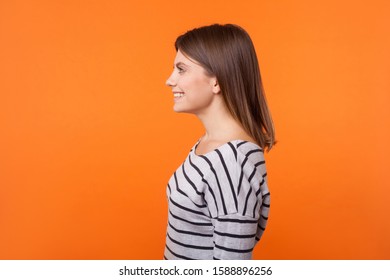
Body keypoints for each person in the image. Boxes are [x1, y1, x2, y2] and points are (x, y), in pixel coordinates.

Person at [164, 23, 275, 260]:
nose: (169, 80)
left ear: (216, 81)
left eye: (181, 69)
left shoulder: (232, 164)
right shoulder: (209, 145)